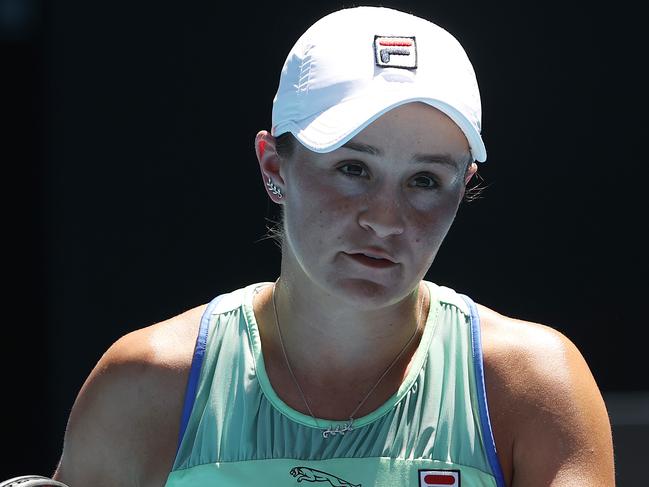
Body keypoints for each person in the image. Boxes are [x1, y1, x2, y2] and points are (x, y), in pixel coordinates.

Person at [34, 5, 613, 487]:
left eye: (426, 180)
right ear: (272, 164)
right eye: (352, 168)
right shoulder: (143, 384)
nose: (386, 221)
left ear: (464, 189)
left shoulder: (536, 387)